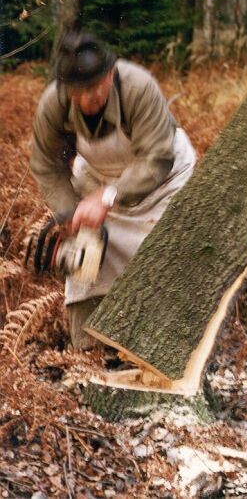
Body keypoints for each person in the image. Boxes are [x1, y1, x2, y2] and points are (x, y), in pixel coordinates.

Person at [30, 32, 196, 350]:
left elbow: (157, 158)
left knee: (161, 265)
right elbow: (47, 166)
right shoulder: (54, 103)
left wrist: (108, 197)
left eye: (94, 87)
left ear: (110, 74)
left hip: (162, 183)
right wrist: (69, 212)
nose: (87, 99)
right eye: (78, 91)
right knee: (85, 261)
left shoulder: (138, 88)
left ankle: (160, 349)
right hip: (97, 177)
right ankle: (88, 353)